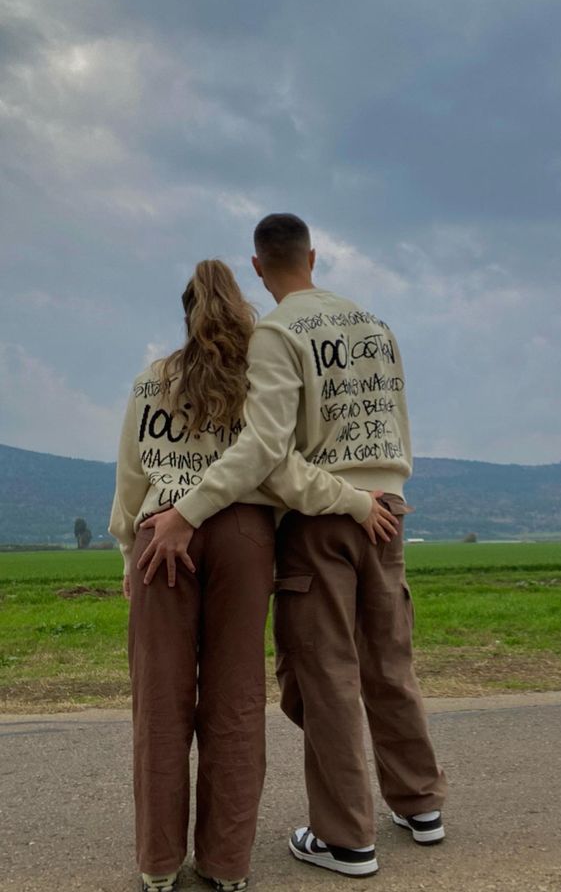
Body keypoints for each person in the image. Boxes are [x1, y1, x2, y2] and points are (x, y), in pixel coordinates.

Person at [139, 216, 447, 879]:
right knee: (390, 661)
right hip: (389, 509)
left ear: (258, 266)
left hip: (325, 518)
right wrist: (379, 496)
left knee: (324, 677)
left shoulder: (278, 334)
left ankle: (346, 840)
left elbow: (267, 453)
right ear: (314, 255)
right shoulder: (375, 325)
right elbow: (395, 421)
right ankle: (420, 804)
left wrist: (189, 510)